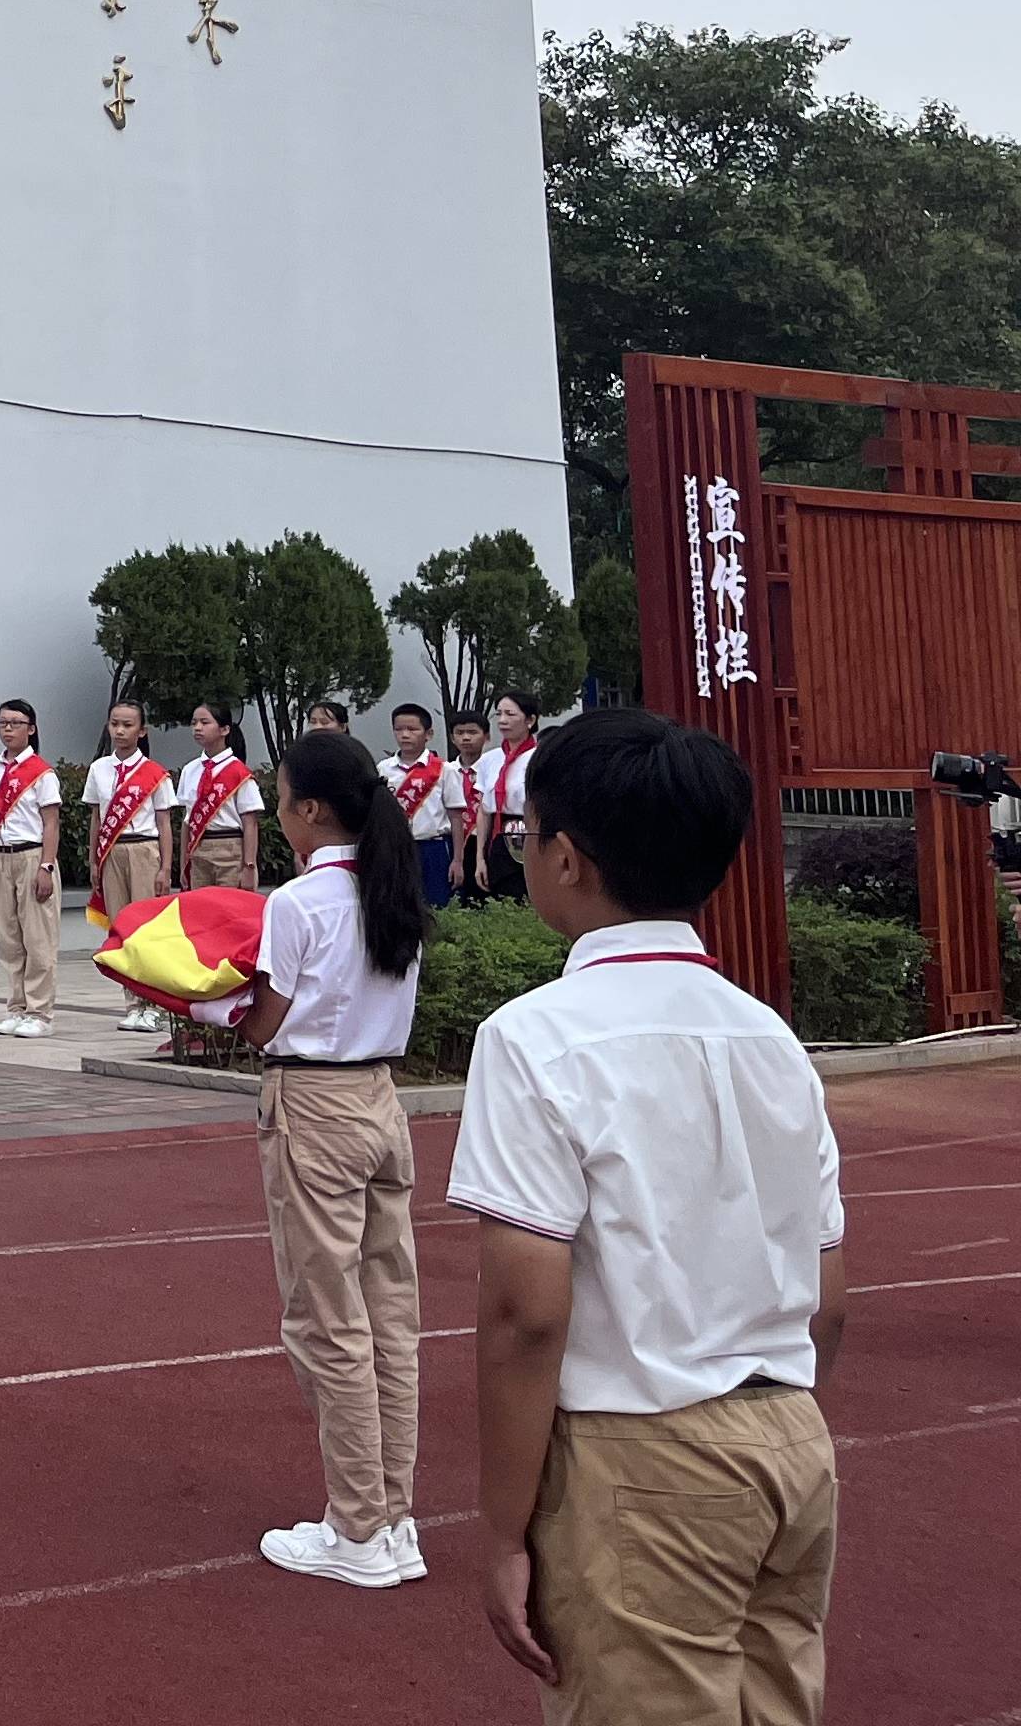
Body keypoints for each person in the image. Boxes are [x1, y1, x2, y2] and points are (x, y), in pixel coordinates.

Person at [450, 705, 847, 1722]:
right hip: (789, 1440)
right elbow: (827, 1296)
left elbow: (525, 1315)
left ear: (567, 859)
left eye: (527, 833)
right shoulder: (771, 1041)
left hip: (641, 1452)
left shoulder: (534, 1038)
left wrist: (502, 1531)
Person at [197, 728, 430, 1587]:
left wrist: (205, 1006)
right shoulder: (390, 884)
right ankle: (392, 1518)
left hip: (315, 1103)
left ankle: (358, 1529)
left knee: (326, 1319)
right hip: (381, 1100)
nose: (280, 809)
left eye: (284, 796)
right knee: (389, 1317)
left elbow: (264, 1020)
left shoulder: (301, 902)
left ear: (309, 811)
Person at [83, 698, 180, 1032]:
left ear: (142, 731)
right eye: (115, 724)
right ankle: (132, 1003)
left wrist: (166, 867)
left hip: (144, 851)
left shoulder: (155, 774)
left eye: (127, 725)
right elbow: (96, 818)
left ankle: (151, 1004)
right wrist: (94, 857)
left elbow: (165, 824)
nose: (120, 731)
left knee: (146, 930)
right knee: (121, 930)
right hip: (112, 853)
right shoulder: (99, 769)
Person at [0, 698, 64, 1039]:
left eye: (15, 722)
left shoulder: (42, 773)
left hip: (31, 856)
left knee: (38, 938)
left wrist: (47, 866)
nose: (8, 728)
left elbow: (51, 824)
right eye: (2, 722)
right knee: (9, 939)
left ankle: (40, 1012)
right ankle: (16, 1007)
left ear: (31, 728)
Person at [176, 703, 263, 889]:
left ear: (224, 729)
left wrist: (249, 866)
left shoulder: (239, 772)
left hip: (230, 848)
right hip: (198, 848)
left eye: (205, 722)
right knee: (201, 910)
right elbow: (187, 820)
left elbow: (250, 823)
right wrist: (183, 861)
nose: (197, 728)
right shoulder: (189, 770)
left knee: (229, 910)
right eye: (194, 723)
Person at [386, 704, 455, 908]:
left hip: (433, 846)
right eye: (399, 729)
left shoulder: (444, 769)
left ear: (428, 734)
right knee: (399, 902)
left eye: (412, 729)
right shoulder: (384, 769)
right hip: (397, 846)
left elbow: (456, 816)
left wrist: (457, 859)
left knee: (435, 904)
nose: (405, 735)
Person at [486, 693, 542, 901]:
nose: (502, 720)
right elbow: (484, 810)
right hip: (499, 832)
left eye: (510, 714)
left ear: (530, 720)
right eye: (499, 714)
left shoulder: (540, 758)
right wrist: (480, 858)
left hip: (531, 832)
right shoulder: (489, 760)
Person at [447, 709, 498, 905]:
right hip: (454, 841)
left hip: (483, 840)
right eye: (460, 733)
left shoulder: (494, 770)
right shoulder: (445, 771)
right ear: (452, 738)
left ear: (486, 736)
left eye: (472, 732)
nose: (466, 738)